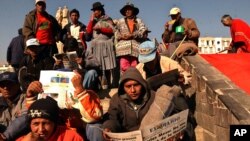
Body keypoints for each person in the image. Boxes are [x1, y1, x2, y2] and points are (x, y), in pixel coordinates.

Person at [16, 97, 84, 141]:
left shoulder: (71, 137)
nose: (41, 129)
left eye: (46, 123)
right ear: (30, 124)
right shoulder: (23, 140)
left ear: (54, 123)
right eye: (36, 124)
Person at [86, 2, 116, 89]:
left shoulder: (108, 19)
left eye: (97, 10)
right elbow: (88, 33)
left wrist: (101, 29)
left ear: (101, 11)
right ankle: (98, 86)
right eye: (94, 10)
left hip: (106, 44)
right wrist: (91, 21)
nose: (95, 12)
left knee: (107, 66)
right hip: (95, 46)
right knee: (97, 66)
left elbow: (112, 31)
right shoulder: (93, 21)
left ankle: (108, 85)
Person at [115, 2, 146, 75]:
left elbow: (143, 31)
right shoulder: (120, 21)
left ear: (133, 11)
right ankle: (125, 84)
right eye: (126, 10)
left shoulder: (139, 21)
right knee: (123, 67)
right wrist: (121, 36)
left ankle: (134, 83)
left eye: (129, 9)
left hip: (135, 49)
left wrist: (132, 35)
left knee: (135, 67)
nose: (127, 11)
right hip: (123, 49)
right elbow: (116, 33)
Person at [0, 72, 27, 140]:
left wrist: (4, 136)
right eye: (2, 85)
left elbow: (25, 118)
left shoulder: (26, 99)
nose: (6, 88)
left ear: (18, 85)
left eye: (9, 84)